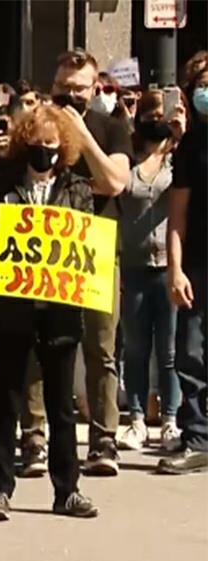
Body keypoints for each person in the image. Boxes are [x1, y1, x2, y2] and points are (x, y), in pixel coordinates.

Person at [0, 104, 98, 522]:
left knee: (60, 405)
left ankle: (67, 490)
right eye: (35, 144)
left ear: (62, 147)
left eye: (51, 144)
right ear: (22, 145)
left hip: (60, 311)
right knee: (7, 399)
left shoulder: (76, 188)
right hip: (11, 309)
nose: (43, 152)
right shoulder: (1, 183)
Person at [50, 49, 132, 476]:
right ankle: (33, 434)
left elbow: (115, 182)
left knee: (100, 347)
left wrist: (82, 134)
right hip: (46, 248)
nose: (69, 96)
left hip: (94, 245)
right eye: (62, 87)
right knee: (41, 342)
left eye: (78, 89)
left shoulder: (111, 128)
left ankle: (103, 438)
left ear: (95, 88)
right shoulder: (38, 127)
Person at [116, 89, 188, 452]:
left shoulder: (181, 159)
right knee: (135, 346)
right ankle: (137, 419)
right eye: (153, 114)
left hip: (168, 266)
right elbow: (125, 185)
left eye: (166, 114)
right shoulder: (128, 158)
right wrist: (156, 151)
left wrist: (181, 138)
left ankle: (172, 420)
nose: (160, 119)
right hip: (133, 263)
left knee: (171, 349)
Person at [159, 50, 208, 475]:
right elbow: (178, 214)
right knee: (190, 352)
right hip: (198, 264)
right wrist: (175, 268)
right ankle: (197, 436)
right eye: (200, 86)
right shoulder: (191, 146)